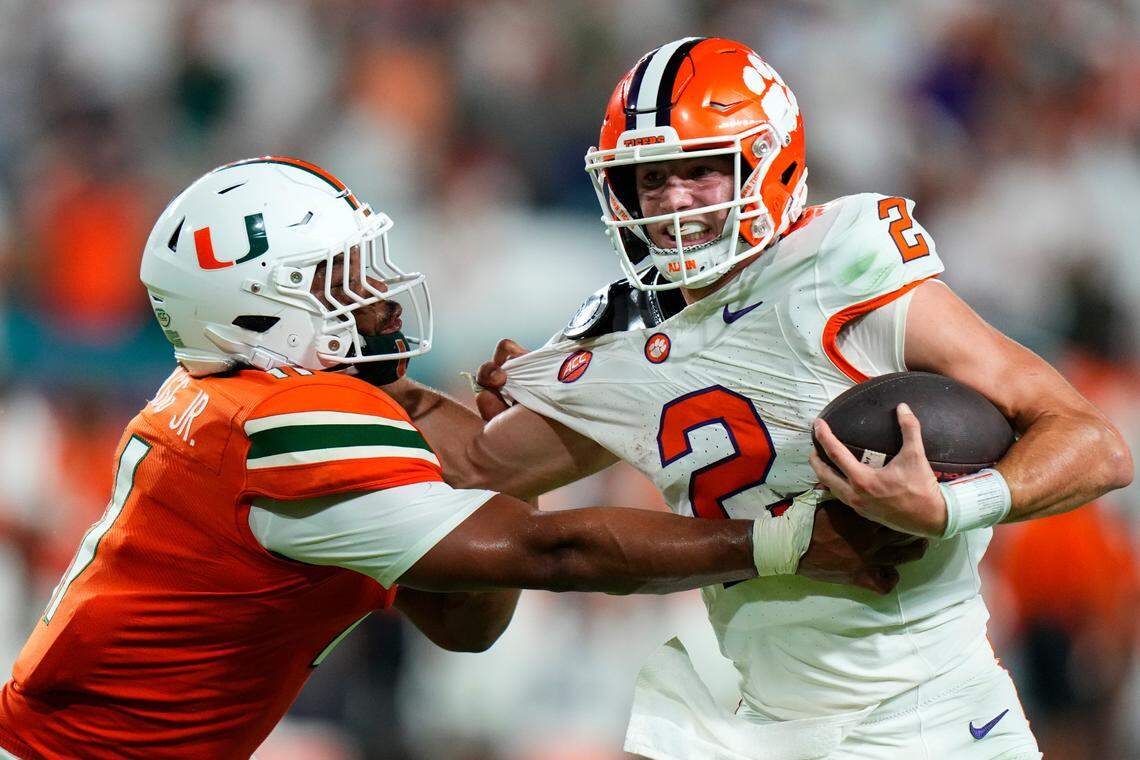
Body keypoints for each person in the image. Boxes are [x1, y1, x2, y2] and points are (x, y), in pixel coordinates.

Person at [0, 156, 921, 760]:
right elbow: (549, 553)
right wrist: (789, 544)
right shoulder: (280, 424)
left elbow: (465, 620)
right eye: (335, 282)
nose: (375, 297)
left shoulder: (245, 400)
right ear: (250, 312)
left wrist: (494, 468)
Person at [384, 38, 1133, 759]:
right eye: (650, 177)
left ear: (768, 164)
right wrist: (355, 376)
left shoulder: (842, 272)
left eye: (702, 170)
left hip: (932, 717)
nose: (674, 201)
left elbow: (1095, 443)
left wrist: (950, 507)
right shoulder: (616, 345)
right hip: (761, 724)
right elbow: (479, 471)